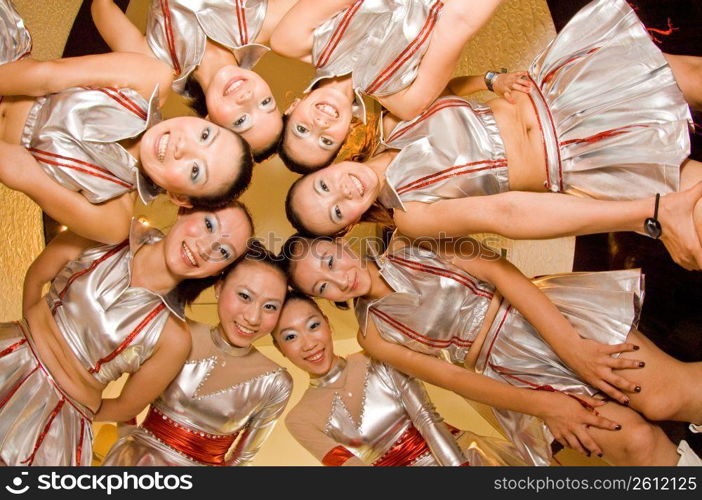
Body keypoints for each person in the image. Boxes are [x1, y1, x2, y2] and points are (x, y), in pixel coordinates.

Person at [285, 0, 702, 270]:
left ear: (329, 165)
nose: (342, 193)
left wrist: (492, 79)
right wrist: (648, 211)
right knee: (696, 212)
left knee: (694, 75)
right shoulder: (414, 216)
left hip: (563, 89)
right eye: (336, 212)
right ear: (348, 228)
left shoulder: (389, 116)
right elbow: (510, 214)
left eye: (323, 186)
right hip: (584, 160)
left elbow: (446, 89)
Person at [280, 234, 702, 466]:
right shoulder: (372, 334)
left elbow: (504, 274)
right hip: (509, 374)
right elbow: (458, 380)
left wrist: (574, 351)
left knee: (667, 397)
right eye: (322, 286)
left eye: (330, 261)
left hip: (546, 318)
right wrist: (546, 407)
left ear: (341, 242)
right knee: (635, 442)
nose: (338, 280)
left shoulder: (415, 241)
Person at [0, 201, 253, 466]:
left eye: (223, 251)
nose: (205, 247)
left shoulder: (174, 339)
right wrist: (26, 338)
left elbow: (126, 407)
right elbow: (37, 275)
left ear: (218, 272)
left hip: (57, 428)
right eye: (209, 224)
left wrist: (72, 410)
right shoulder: (103, 234)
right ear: (184, 209)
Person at [0, 0, 253, 244]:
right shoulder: (151, 78)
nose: (183, 146)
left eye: (195, 170)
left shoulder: (113, 220)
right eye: (205, 136)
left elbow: (20, 172)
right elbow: (45, 76)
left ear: (180, 198)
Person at [274, 291, 525, 466]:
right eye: (290, 337)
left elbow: (426, 418)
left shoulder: (377, 356)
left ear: (327, 325)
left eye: (313, 326)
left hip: (461, 457)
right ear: (279, 349)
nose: (308, 344)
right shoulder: (299, 420)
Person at [102, 241, 292, 466]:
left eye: (270, 307)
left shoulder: (276, 382)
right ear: (219, 288)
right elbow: (126, 400)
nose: (253, 318)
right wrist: (128, 446)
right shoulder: (176, 332)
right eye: (244, 296)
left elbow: (242, 459)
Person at [270, 0, 509, 172]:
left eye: (301, 129)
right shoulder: (405, 100)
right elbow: (458, 25)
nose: (319, 125)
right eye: (326, 141)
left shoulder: (291, 41)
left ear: (292, 107)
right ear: (345, 135)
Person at [91, 0, 293, 161]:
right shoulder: (263, 21)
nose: (248, 97)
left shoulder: (155, 64)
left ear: (210, 124)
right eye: (266, 103)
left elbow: (101, 7)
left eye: (241, 121)